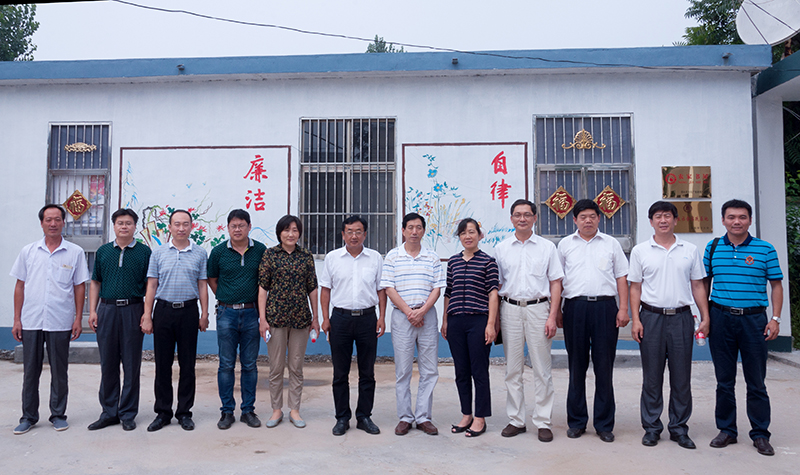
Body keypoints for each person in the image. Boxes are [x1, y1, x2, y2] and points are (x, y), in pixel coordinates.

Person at [704, 199, 784, 456]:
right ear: (723, 220)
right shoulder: (713, 247)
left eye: (742, 217)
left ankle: (760, 434)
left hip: (754, 320)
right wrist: (705, 317)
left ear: (750, 220)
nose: (736, 222)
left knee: (756, 381)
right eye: (731, 217)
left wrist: (776, 318)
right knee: (724, 380)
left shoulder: (765, 249)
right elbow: (704, 283)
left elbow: (776, 285)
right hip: (721, 318)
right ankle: (727, 430)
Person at [628, 201, 709, 450]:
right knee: (652, 377)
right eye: (658, 216)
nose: (663, 220)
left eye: (667, 216)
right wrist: (636, 319)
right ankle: (652, 428)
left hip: (682, 318)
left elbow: (698, 284)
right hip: (651, 318)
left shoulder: (690, 250)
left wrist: (705, 316)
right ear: (651, 221)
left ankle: (679, 428)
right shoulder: (641, 251)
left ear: (676, 220)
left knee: (681, 377)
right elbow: (635, 287)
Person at [10, 204, 90, 434]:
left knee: (59, 371)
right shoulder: (29, 251)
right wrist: (17, 319)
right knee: (30, 371)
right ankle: (28, 416)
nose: (53, 224)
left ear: (64, 222)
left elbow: (79, 287)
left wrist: (78, 319)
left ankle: (58, 415)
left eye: (57, 219)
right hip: (31, 320)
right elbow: (20, 286)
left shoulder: (75, 252)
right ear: (42, 223)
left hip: (60, 320)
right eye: (48, 220)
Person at [557, 199, 629, 443]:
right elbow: (557, 280)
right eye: (582, 217)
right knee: (576, 366)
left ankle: (604, 424)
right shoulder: (565, 245)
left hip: (605, 308)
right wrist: (557, 311)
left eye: (592, 216)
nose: (587, 220)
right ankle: (577, 422)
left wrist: (623, 309)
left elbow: (622, 277)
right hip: (574, 307)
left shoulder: (611, 244)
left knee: (604, 367)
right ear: (574, 220)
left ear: (599, 218)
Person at [494, 199, 563, 442]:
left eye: (526, 214)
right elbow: (497, 286)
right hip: (510, 309)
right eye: (517, 214)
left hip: (539, 309)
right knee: (512, 369)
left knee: (542, 369)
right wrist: (496, 319)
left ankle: (543, 421)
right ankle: (516, 420)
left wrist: (552, 315)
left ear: (535, 218)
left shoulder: (547, 248)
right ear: (511, 219)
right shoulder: (502, 248)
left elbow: (556, 282)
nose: (522, 219)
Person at [141, 209, 209, 432]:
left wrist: (204, 314)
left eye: (185, 224)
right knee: (163, 364)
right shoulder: (158, 253)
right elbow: (152, 285)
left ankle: (184, 412)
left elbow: (202, 285)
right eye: (176, 224)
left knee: (188, 365)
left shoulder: (200, 253)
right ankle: (163, 412)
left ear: (191, 226)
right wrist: (147, 315)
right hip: (163, 311)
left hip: (188, 312)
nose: (181, 228)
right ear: (169, 227)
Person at [319, 216, 387, 436]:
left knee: (367, 372)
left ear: (365, 234)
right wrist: (325, 318)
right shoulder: (332, 258)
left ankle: (364, 416)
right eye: (349, 231)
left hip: (368, 319)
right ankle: (342, 418)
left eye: (358, 231)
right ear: (343, 234)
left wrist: (382, 317)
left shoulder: (375, 258)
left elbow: (381, 290)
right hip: (340, 319)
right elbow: (325, 290)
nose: (354, 236)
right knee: (340, 373)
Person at [381, 212, 445, 436]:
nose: (414, 232)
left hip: (427, 316)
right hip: (402, 317)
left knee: (429, 369)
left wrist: (422, 311)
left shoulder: (432, 257)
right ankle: (405, 417)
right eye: (410, 227)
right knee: (403, 370)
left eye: (418, 227)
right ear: (403, 230)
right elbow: (389, 288)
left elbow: (437, 288)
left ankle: (424, 417)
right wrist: (410, 313)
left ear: (424, 231)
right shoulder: (392, 257)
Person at [87, 208, 151, 432]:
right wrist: (92, 310)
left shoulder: (144, 252)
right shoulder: (103, 251)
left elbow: (150, 285)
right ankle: (109, 412)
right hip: (107, 309)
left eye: (129, 223)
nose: (124, 226)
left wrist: (147, 313)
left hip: (133, 309)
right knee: (108, 363)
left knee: (132, 364)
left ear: (135, 226)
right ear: (114, 226)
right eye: (120, 223)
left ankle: (128, 413)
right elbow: (95, 282)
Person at [258, 214, 320, 429]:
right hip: (275, 319)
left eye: (295, 230)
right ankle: (276, 409)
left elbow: (312, 288)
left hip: (301, 319)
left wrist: (315, 318)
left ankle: (295, 409)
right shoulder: (270, 255)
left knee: (296, 366)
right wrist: (262, 319)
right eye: (286, 230)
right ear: (279, 233)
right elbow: (263, 288)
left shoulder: (306, 256)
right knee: (275, 367)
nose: (291, 234)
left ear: (299, 233)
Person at [207, 209, 267, 430]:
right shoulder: (218, 252)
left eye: (242, 225)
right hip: (226, 314)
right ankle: (226, 411)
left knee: (250, 365)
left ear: (249, 226)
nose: (237, 229)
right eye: (233, 226)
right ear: (228, 228)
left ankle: (248, 410)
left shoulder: (260, 250)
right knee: (226, 364)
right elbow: (212, 279)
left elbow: (265, 282)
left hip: (252, 313)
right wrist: (226, 297)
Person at [441, 218, 499, 438]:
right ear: (459, 236)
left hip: (478, 321)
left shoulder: (488, 262)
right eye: (463, 232)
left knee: (479, 370)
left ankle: (480, 418)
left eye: (472, 232)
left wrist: (490, 324)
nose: (468, 236)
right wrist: (445, 320)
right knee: (461, 371)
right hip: (456, 321)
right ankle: (466, 414)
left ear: (480, 235)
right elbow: (448, 292)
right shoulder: (453, 262)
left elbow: (493, 294)